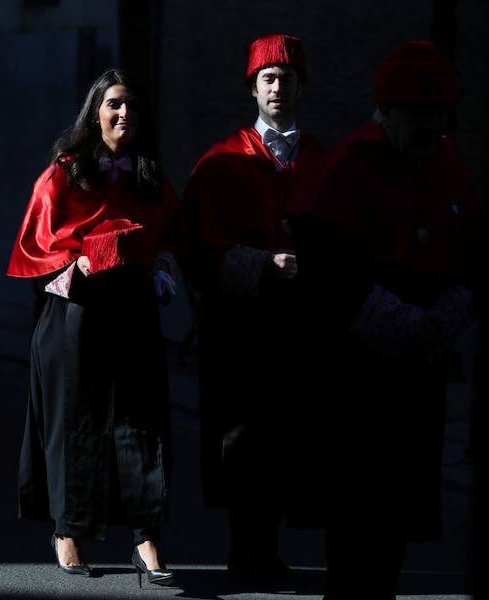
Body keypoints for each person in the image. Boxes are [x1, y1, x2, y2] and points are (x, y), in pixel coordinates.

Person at [291, 40, 478, 599]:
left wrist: (444, 318)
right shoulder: (349, 164)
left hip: (415, 376)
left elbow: (469, 252)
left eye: (438, 118)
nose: (429, 130)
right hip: (357, 378)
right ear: (388, 113)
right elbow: (328, 272)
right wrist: (403, 325)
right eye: (418, 117)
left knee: (395, 527)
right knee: (355, 531)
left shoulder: (445, 160)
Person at [7, 68, 179, 586]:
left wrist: (160, 274)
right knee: (73, 422)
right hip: (76, 311)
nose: (124, 114)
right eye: (114, 104)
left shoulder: (150, 177)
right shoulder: (64, 173)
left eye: (131, 106)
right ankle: (68, 530)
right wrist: (75, 265)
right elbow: (35, 247)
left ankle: (146, 538)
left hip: (133, 311)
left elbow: (169, 240)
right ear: (95, 111)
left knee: (140, 422)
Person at [181, 32, 325, 584]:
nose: (278, 87)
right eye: (269, 78)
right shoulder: (222, 161)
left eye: (287, 78)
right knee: (244, 440)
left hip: (300, 326)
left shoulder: (321, 162)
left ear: (300, 86)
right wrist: (262, 266)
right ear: (253, 88)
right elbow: (199, 246)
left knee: (291, 437)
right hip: (241, 326)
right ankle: (247, 549)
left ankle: (268, 548)